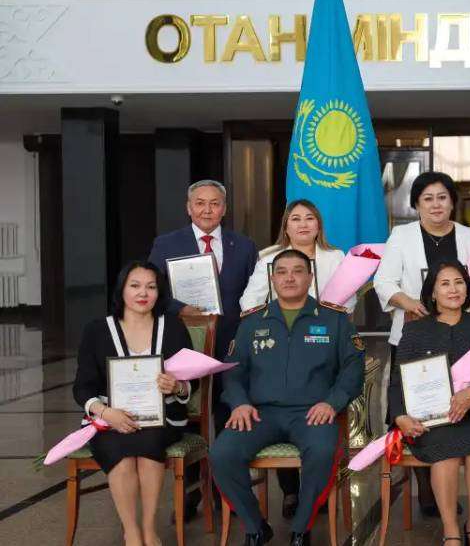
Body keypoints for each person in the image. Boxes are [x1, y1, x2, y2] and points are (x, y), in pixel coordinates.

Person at [211, 249, 364, 546]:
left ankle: (301, 529)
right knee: (222, 454)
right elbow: (232, 370)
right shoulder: (252, 322)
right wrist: (239, 403)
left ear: (310, 277)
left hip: (312, 413)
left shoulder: (334, 319)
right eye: (281, 272)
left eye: (297, 271)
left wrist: (331, 402)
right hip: (259, 413)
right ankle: (256, 527)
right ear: (272, 279)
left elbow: (353, 369)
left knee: (322, 452)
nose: (289, 278)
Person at [147, 178, 256, 518]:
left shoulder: (244, 246)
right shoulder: (166, 244)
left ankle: (229, 492)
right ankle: (191, 492)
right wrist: (180, 309)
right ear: (188, 207)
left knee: (228, 414)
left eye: (215, 203)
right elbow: (152, 290)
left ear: (224, 209)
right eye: (200, 203)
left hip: (231, 343)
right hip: (185, 342)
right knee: (189, 415)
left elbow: (254, 294)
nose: (207, 210)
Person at [374, 171, 470, 514]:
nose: (436, 205)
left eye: (442, 197)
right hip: (415, 335)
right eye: (428, 199)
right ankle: (427, 492)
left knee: (451, 409)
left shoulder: (469, 236)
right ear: (417, 204)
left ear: (452, 202)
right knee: (416, 408)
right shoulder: (401, 236)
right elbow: (384, 282)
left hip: (458, 338)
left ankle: (445, 483)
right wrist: (411, 304)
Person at [238, 198, 350, 517]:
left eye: (309, 218)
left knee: (320, 419)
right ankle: (290, 491)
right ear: (286, 226)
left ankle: (318, 488)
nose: (303, 224)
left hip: (323, 346)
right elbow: (248, 302)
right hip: (278, 345)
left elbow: (349, 301)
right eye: (296, 218)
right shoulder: (268, 257)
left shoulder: (335, 257)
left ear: (318, 225)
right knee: (279, 404)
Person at [72, 261, 196, 546]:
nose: (143, 293)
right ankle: (132, 532)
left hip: (162, 417)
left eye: (151, 287)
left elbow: (193, 380)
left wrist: (177, 386)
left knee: (149, 441)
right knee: (119, 450)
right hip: (109, 418)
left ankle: (149, 529)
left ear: (159, 292)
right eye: (135, 285)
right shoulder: (97, 330)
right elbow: (82, 386)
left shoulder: (173, 327)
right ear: (122, 290)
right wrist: (106, 413)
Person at [389, 262, 470, 545]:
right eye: (445, 283)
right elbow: (397, 382)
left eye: (459, 282)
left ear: (467, 288)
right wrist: (400, 416)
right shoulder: (415, 331)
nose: (453, 289)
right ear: (433, 293)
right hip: (431, 420)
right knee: (446, 453)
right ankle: (451, 532)